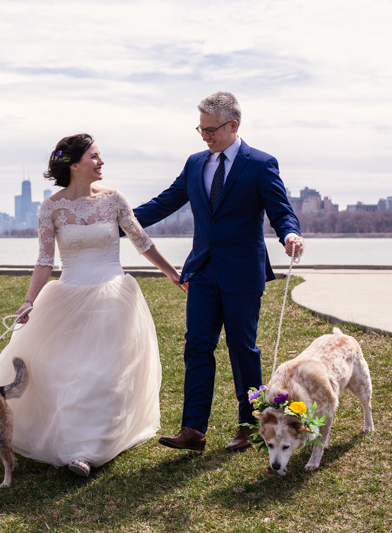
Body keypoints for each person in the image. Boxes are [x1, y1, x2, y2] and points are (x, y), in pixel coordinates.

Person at [0, 133, 185, 477]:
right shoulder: (52, 207)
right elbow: (45, 261)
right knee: (66, 371)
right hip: (68, 297)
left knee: (104, 373)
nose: (101, 161)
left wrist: (171, 272)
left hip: (113, 297)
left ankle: (87, 450)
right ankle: (71, 442)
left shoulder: (114, 199)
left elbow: (142, 241)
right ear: (75, 164)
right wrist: (29, 300)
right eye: (94, 156)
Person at [131, 91, 306, 452]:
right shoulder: (195, 163)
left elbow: (280, 210)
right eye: (201, 129)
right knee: (196, 347)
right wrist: (118, 221)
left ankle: (249, 425)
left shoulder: (260, 164)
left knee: (243, 349)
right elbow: (164, 202)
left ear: (233, 125)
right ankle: (193, 429)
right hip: (203, 272)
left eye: (211, 130)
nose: (205, 136)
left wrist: (290, 234)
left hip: (243, 272)